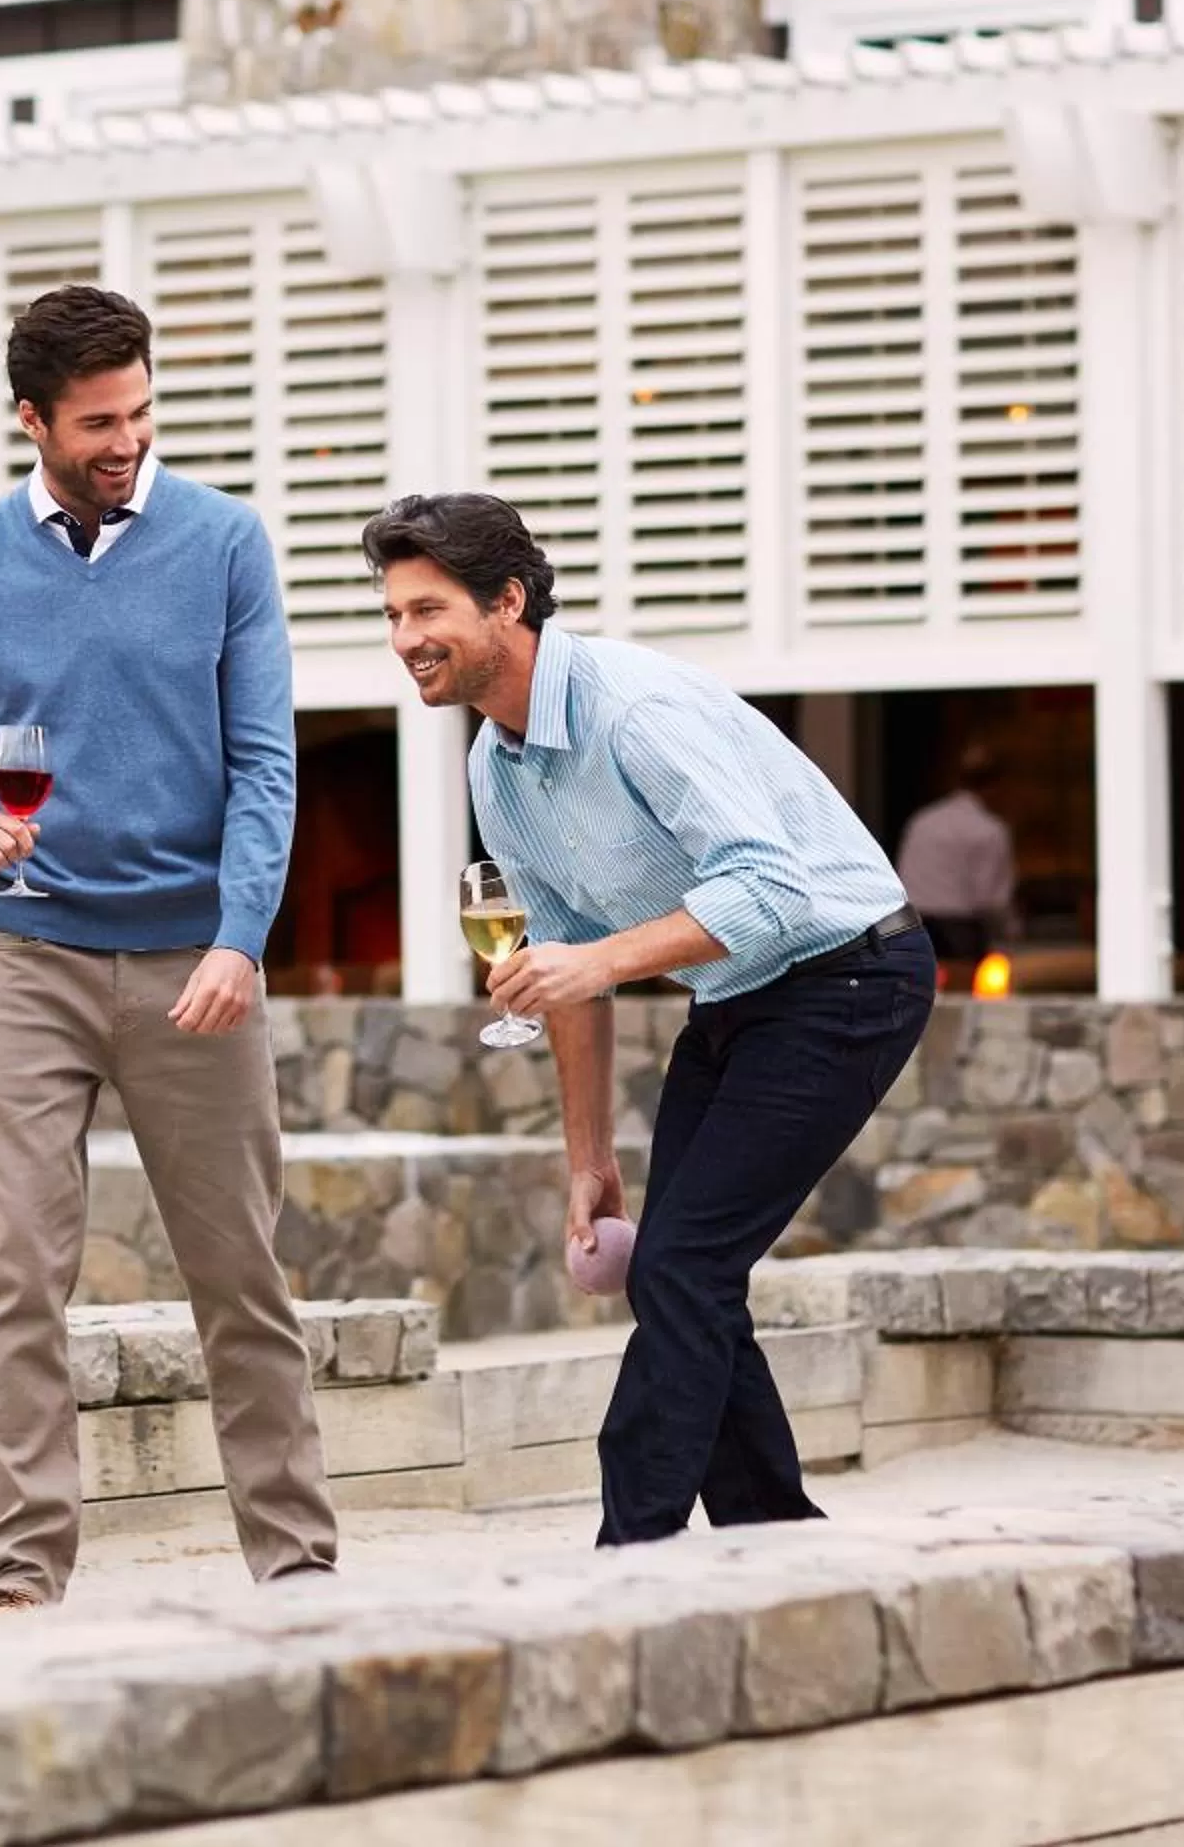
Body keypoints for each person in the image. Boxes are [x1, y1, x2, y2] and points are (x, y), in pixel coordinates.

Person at [0, 284, 338, 1618]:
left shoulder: (227, 543)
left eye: (139, 410)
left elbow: (263, 767)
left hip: (200, 958)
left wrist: (243, 937)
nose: (126, 437)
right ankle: (24, 1576)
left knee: (238, 1272)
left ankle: (296, 1565)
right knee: (13, 1269)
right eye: (97, 421)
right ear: (32, 420)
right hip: (29, 959)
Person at [365, 492, 932, 1546]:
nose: (405, 640)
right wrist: (590, 1156)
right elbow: (566, 963)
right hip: (737, 995)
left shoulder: (635, 711)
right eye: (393, 615)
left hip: (850, 976)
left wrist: (596, 959)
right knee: (681, 1270)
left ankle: (632, 1550)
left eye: (427, 611)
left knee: (681, 1267)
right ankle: (775, 1533)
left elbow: (774, 889)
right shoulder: (498, 763)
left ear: (508, 602)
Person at [896, 745, 1017, 964]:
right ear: (995, 787)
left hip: (910, 929)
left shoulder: (922, 821)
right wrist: (1013, 933)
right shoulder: (989, 830)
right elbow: (992, 901)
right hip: (959, 936)